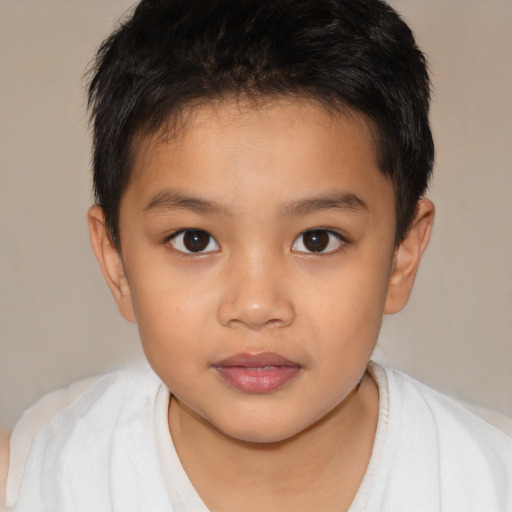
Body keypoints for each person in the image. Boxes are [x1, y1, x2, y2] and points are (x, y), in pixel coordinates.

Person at [2, 0, 511, 510]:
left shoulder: (488, 482)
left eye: (317, 239)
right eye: (194, 240)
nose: (255, 305)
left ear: (403, 254)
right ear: (117, 263)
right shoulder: (34, 480)